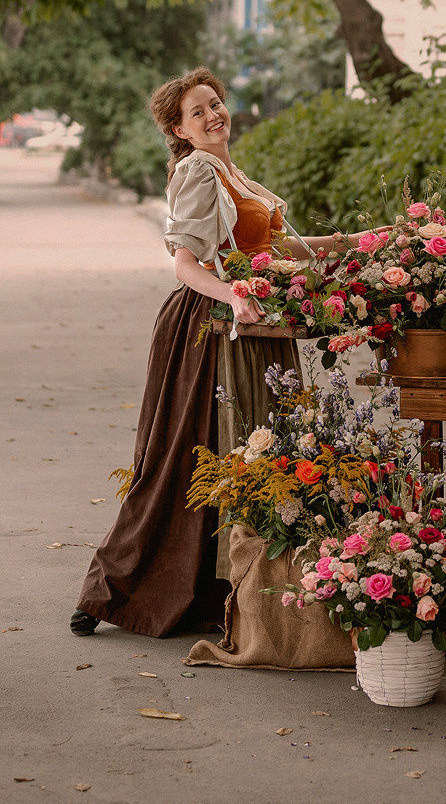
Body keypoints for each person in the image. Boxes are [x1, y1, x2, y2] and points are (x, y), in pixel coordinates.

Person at [70, 68, 353, 639]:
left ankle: (236, 590)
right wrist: (235, 296)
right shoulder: (198, 170)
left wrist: (348, 243)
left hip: (254, 326)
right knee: (187, 458)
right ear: (180, 130)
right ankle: (116, 589)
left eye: (215, 103)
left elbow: (273, 246)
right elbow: (184, 264)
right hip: (210, 327)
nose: (212, 115)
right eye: (197, 112)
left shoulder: (231, 172)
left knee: (254, 455)